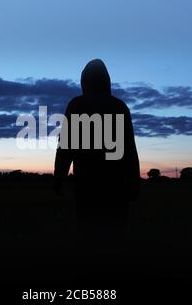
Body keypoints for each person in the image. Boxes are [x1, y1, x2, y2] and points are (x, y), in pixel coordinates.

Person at [53, 59, 140, 249]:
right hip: (116, 185)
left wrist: (59, 176)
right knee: (115, 235)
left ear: (84, 81)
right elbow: (130, 149)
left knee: (88, 234)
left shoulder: (77, 105)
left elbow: (65, 147)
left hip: (87, 184)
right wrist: (134, 180)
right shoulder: (119, 107)